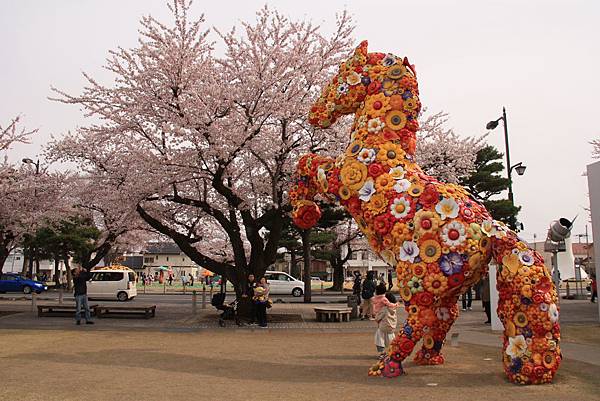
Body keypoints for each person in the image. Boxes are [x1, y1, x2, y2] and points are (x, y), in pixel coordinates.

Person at [374, 290, 398, 357]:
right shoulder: (394, 308)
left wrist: (376, 317)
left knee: (379, 339)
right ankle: (393, 352)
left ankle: (381, 353)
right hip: (391, 327)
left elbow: (378, 318)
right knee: (391, 340)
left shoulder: (385, 308)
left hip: (383, 327)